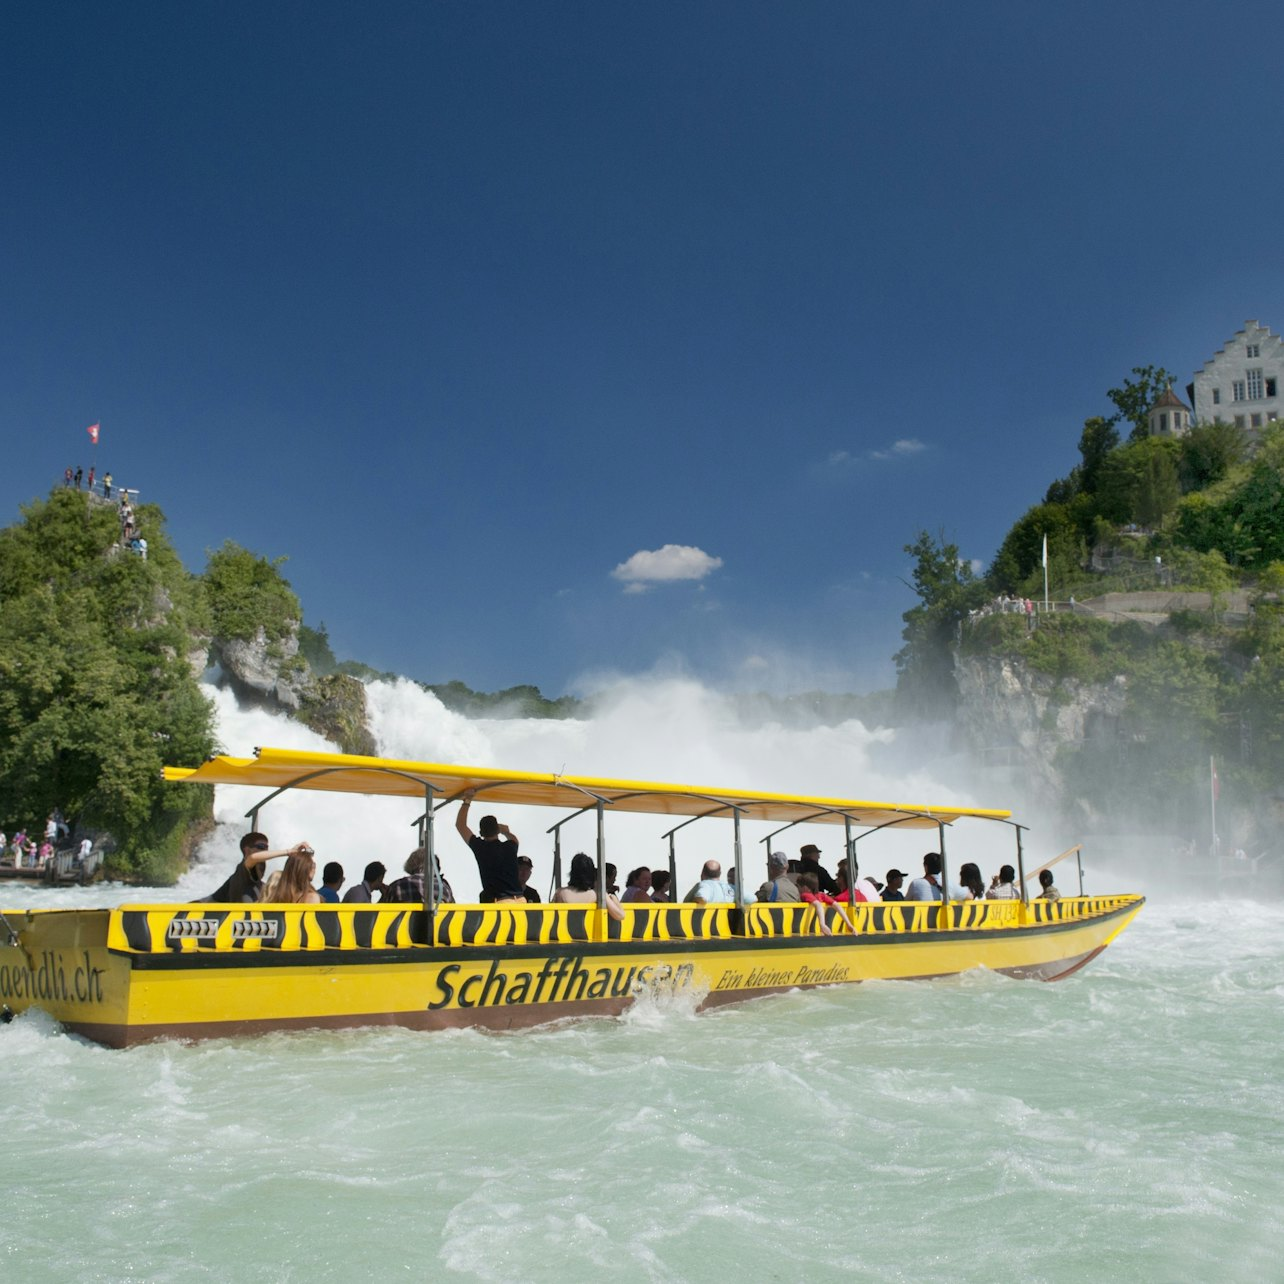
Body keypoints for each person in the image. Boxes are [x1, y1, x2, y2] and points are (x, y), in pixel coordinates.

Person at [455, 793, 524, 904]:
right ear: (497, 830)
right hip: (520, 900)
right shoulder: (510, 846)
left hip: (501, 901)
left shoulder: (481, 848)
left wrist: (467, 801)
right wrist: (505, 831)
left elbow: (460, 825)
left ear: (481, 833)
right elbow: (514, 838)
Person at [202, 833, 309, 903]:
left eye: (267, 848)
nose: (265, 851)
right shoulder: (241, 874)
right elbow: (253, 858)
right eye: (261, 847)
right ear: (247, 850)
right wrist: (289, 852)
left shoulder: (260, 886)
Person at [551, 852, 624, 920]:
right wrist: (613, 897)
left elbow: (551, 916)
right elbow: (620, 915)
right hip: (592, 933)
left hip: (563, 932)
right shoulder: (598, 894)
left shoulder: (560, 893)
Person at [383, 848, 454, 904]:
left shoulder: (397, 886)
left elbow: (379, 914)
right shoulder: (444, 888)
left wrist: (384, 893)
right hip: (435, 922)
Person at [797, 872, 857, 937]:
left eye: (799, 886)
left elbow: (818, 904)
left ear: (805, 888)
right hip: (823, 929)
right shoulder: (821, 895)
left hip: (809, 930)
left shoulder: (805, 895)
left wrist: (822, 924)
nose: (798, 889)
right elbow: (837, 905)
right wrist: (849, 924)